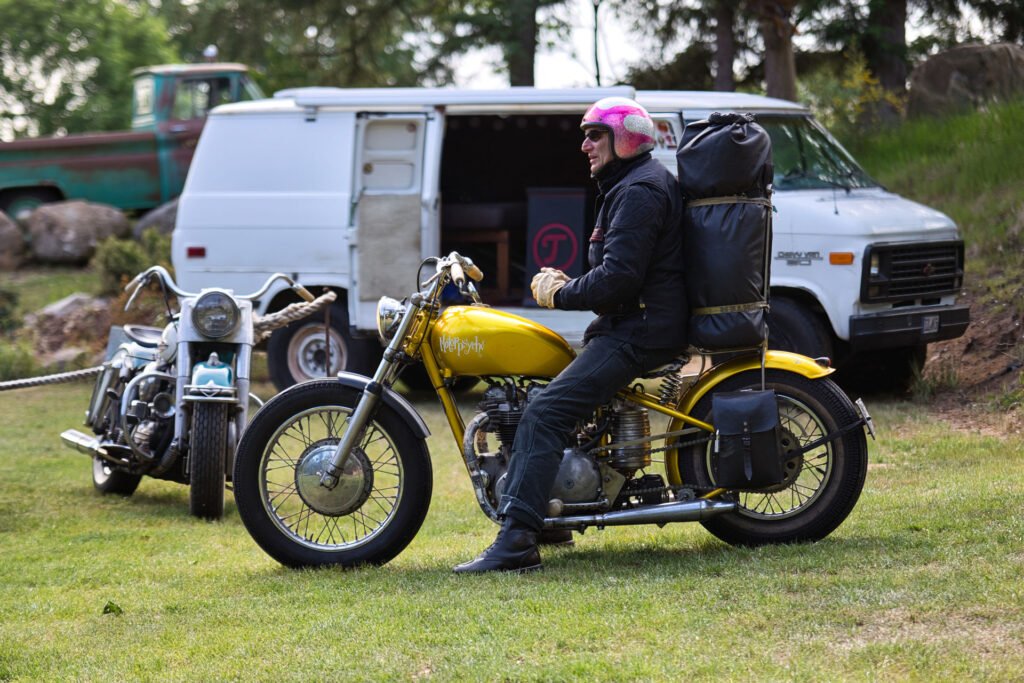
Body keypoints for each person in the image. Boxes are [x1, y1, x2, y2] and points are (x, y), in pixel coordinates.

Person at [454, 97, 688, 574]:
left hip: (639, 331)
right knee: (539, 399)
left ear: (625, 139)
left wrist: (560, 294)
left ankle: (518, 539)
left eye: (594, 135)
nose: (584, 145)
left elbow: (620, 278)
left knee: (544, 412)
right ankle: (549, 517)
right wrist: (571, 285)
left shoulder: (640, 189)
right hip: (630, 325)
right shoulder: (628, 184)